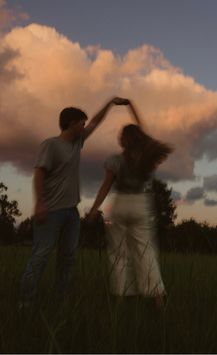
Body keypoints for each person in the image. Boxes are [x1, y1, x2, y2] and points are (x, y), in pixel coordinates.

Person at [20, 96, 128, 308]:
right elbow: (39, 174)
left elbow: (96, 122)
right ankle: (25, 302)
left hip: (71, 213)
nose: (85, 126)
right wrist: (39, 203)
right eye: (81, 123)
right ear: (71, 123)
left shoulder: (78, 143)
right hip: (50, 212)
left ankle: (60, 300)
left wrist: (110, 103)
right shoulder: (50, 145)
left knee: (67, 259)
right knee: (41, 256)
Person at [87, 100, 173, 308]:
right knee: (146, 252)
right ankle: (158, 300)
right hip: (141, 205)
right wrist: (132, 106)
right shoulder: (148, 157)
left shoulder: (115, 160)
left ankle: (120, 300)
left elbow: (105, 187)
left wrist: (93, 210)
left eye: (121, 135)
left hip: (120, 205)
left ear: (125, 140)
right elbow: (142, 128)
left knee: (119, 253)